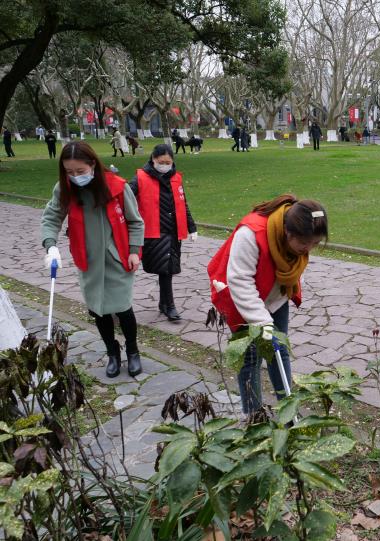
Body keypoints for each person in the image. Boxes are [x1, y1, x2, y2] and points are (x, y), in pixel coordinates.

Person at [207, 195, 328, 416]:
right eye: (304, 243)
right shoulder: (251, 233)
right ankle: (254, 417)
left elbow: (290, 270)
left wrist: (270, 323)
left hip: (274, 296)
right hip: (241, 299)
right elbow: (240, 281)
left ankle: (288, 411)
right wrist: (262, 322)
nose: (308, 249)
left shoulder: (298, 240)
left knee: (279, 350)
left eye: (315, 244)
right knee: (250, 358)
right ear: (288, 232)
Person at [40, 141, 145, 378]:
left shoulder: (117, 186)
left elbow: (135, 221)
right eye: (69, 172)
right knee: (99, 310)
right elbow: (51, 217)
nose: (75, 176)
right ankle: (112, 353)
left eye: (80, 171)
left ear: (93, 165)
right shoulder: (64, 189)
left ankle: (133, 350)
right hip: (87, 260)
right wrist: (50, 245)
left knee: (123, 308)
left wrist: (134, 250)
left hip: (116, 258)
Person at [129, 144, 198, 321]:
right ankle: (170, 306)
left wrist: (192, 227)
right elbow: (126, 197)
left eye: (168, 162)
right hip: (154, 231)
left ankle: (164, 304)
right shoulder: (141, 177)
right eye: (161, 162)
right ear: (153, 159)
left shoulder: (176, 178)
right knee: (165, 270)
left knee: (167, 270)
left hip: (173, 232)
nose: (164, 165)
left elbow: (183, 203)